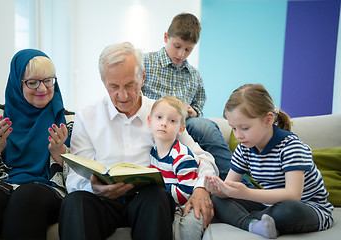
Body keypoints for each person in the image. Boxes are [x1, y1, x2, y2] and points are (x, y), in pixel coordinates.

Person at [59, 42, 218, 240]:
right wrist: (95, 188)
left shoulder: (163, 114)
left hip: (147, 202)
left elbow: (203, 157)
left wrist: (201, 187)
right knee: (75, 202)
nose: (123, 95)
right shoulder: (87, 116)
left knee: (157, 196)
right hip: (102, 201)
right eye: (114, 87)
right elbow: (75, 176)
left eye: (130, 85)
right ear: (103, 81)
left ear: (142, 77)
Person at [204, 84, 334, 238]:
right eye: (233, 128)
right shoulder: (244, 148)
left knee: (288, 210)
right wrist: (218, 189)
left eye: (244, 128)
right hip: (267, 204)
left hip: (307, 207)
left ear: (268, 119)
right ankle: (253, 225)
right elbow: (228, 189)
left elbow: (293, 195)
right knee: (217, 200)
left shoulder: (291, 147)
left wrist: (246, 193)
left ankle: (245, 219)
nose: (238, 135)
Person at [141, 13, 253, 187]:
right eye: (177, 46)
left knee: (205, 125)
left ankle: (239, 185)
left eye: (188, 49)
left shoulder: (194, 75)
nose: (181, 53)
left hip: (182, 124)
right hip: (155, 121)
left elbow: (198, 105)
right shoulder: (146, 62)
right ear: (166, 37)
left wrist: (194, 111)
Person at [0, 49, 71, 239]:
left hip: (46, 189)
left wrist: (59, 152)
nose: (43, 89)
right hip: (1, 182)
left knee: (27, 196)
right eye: (33, 82)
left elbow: (84, 175)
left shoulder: (68, 123)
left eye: (48, 80)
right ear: (16, 83)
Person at [148, 95, 203, 240]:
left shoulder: (182, 157)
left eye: (172, 121)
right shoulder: (153, 151)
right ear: (149, 121)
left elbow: (185, 193)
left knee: (189, 228)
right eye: (159, 117)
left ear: (181, 129)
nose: (164, 123)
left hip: (186, 203)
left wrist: (157, 188)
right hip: (169, 203)